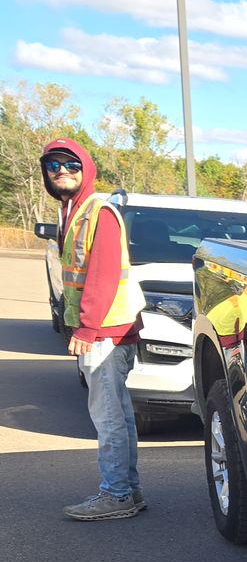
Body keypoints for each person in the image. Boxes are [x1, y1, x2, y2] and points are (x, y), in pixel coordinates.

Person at [41, 138, 147, 521]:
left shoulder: (98, 212)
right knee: (119, 414)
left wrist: (86, 329)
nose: (62, 171)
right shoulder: (72, 211)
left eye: (70, 164)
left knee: (108, 418)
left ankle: (116, 495)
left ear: (85, 168)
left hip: (105, 333)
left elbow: (102, 276)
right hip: (107, 332)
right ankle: (128, 490)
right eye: (53, 165)